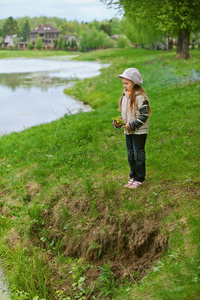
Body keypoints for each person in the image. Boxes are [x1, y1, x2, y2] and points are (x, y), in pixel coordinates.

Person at [117, 68, 151, 189]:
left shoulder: (141, 97)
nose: (124, 86)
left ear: (134, 82)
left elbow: (144, 116)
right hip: (128, 131)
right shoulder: (125, 96)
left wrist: (132, 125)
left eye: (127, 83)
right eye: (123, 84)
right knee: (130, 155)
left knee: (138, 154)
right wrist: (120, 122)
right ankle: (133, 176)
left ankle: (140, 178)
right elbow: (124, 114)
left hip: (139, 131)